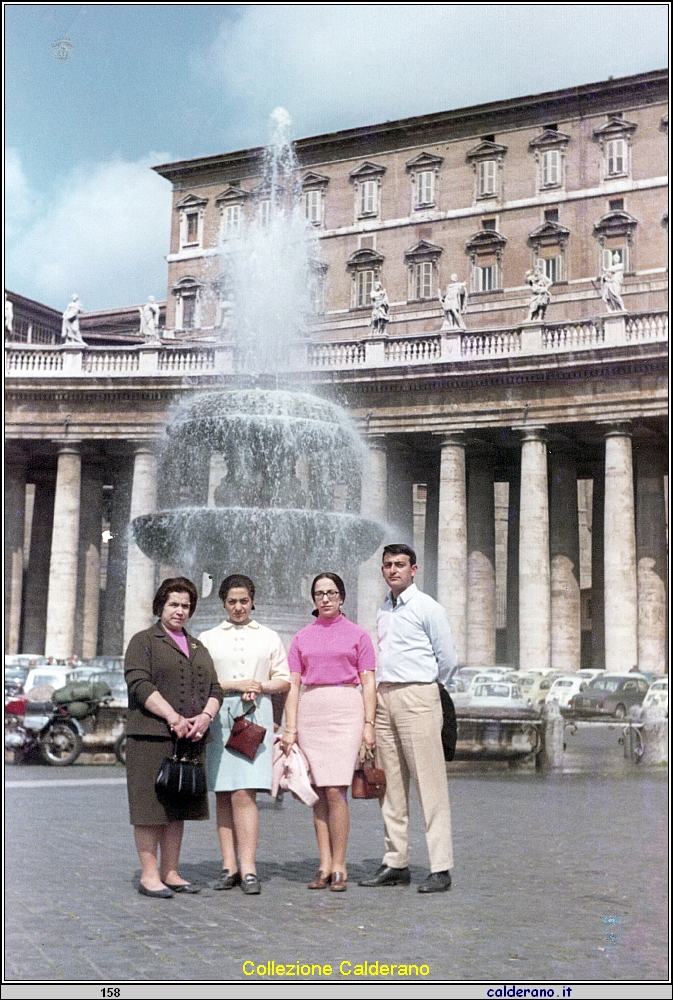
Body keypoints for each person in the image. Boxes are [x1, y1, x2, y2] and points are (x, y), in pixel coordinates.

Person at [359, 544, 457, 894]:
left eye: (400, 564)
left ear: (414, 569)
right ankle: (395, 861)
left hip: (418, 694)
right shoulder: (383, 609)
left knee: (429, 784)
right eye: (387, 565)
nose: (393, 570)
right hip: (385, 697)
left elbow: (447, 658)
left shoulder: (428, 607)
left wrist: (428, 688)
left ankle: (441, 866)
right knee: (391, 785)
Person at [124, 577, 224, 898]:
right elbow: (139, 683)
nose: (180, 611)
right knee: (150, 807)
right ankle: (150, 875)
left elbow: (216, 688)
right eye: (173, 605)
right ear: (161, 606)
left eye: (185, 606)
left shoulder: (197, 646)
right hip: (151, 738)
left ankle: (171, 871)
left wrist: (206, 716)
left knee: (177, 807)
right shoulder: (143, 641)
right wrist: (172, 717)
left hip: (189, 739)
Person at [281, 573, 376, 892]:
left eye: (331, 593)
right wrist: (290, 727)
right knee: (319, 791)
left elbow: (368, 682)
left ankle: (340, 864)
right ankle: (323, 863)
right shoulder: (301, 637)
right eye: (319, 594)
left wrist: (369, 724)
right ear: (313, 599)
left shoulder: (359, 635)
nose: (325, 599)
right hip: (312, 709)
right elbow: (293, 685)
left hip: (346, 709)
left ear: (342, 597)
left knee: (336, 790)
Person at [199, 575, 290, 896]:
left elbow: (284, 679)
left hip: (254, 719)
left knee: (245, 793)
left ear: (253, 601)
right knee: (223, 792)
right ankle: (229, 866)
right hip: (220, 718)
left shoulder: (268, 637)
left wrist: (261, 685)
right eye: (232, 601)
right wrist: (236, 685)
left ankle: (249, 867)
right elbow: (202, 681)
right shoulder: (208, 638)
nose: (238, 607)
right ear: (223, 603)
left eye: (244, 601)